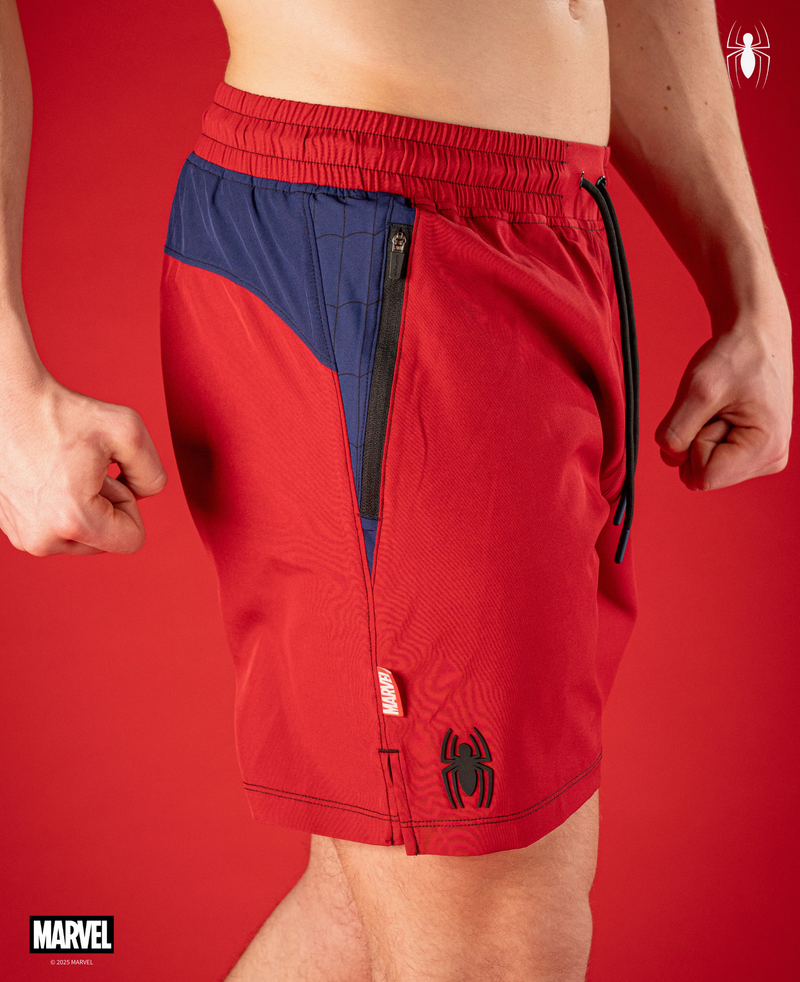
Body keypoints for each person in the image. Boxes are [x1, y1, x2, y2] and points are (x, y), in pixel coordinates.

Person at [0, 0, 792, 979]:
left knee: (376, 901)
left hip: (558, 232)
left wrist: (745, 280)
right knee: (495, 933)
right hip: (369, 238)